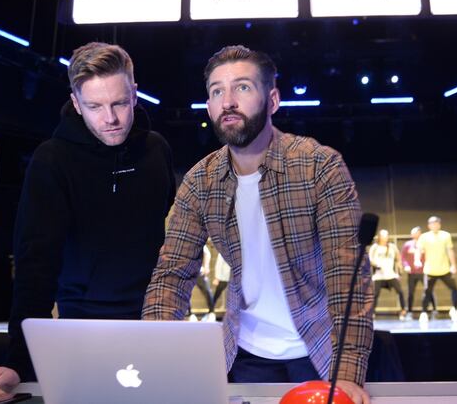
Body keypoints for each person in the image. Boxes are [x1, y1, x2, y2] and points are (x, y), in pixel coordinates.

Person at [142, 45, 372, 404]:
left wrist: (347, 371)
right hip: (245, 354)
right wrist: (154, 356)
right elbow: (172, 274)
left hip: (320, 351)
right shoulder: (200, 181)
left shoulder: (319, 166)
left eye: (243, 87)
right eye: (217, 91)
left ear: (273, 100)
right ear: (209, 106)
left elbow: (348, 275)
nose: (228, 101)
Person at [0, 42, 176, 391]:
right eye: (94, 106)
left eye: (119, 103)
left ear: (135, 94)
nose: (110, 119)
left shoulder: (157, 151)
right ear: (77, 104)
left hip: (153, 324)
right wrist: (19, 362)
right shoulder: (52, 160)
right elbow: (35, 266)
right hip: (79, 327)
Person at [415, 216, 457, 323]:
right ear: (429, 225)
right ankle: (424, 313)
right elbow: (419, 249)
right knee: (427, 292)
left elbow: (450, 250)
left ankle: (455, 310)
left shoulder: (446, 235)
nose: (434, 225)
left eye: (436, 223)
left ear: (439, 225)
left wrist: (453, 265)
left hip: (444, 269)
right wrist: (417, 260)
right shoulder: (424, 237)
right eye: (432, 223)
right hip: (430, 270)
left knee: (454, 288)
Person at [368, 229, 406, 320]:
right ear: (380, 237)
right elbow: (370, 259)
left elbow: (398, 259)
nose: (385, 237)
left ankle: (403, 311)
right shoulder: (375, 247)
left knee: (400, 291)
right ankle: (372, 312)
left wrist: (399, 271)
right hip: (379, 275)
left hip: (390, 275)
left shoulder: (392, 247)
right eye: (383, 235)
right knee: (375, 294)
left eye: (386, 235)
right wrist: (376, 264)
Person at [400, 226, 436, 319]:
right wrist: (406, 265)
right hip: (412, 273)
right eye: (414, 233)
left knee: (428, 290)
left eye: (417, 233)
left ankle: (434, 309)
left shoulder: (425, 244)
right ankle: (409, 311)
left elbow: (430, 255)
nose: (416, 234)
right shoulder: (407, 244)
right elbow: (403, 257)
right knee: (410, 292)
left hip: (424, 272)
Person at [211, 245, 231, 311]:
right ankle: (211, 309)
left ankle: (225, 307)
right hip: (223, 278)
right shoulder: (222, 254)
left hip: (229, 277)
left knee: (227, 293)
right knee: (218, 293)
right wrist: (217, 278)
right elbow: (218, 266)